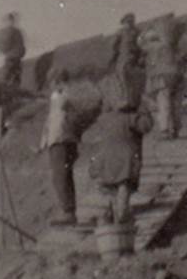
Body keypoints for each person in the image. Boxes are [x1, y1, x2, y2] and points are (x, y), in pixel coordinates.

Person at [88, 74, 153, 225]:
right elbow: (146, 126)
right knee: (124, 185)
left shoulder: (105, 118)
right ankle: (122, 211)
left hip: (106, 158)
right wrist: (145, 112)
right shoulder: (131, 117)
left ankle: (113, 210)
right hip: (127, 158)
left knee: (111, 187)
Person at [38, 68, 79, 225]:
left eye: (53, 82)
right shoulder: (58, 97)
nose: (51, 85)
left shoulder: (63, 96)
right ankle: (69, 211)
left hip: (62, 140)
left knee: (60, 176)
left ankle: (68, 212)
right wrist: (43, 142)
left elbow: (56, 120)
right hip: (59, 140)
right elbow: (49, 122)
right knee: (63, 176)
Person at [138, 20, 178, 138]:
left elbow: (139, 43)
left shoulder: (149, 47)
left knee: (161, 103)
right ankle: (172, 129)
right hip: (170, 77)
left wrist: (143, 34)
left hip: (158, 78)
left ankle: (165, 129)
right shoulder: (165, 45)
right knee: (168, 103)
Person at [108, 13, 144, 106]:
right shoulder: (137, 31)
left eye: (129, 21)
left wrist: (114, 55)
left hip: (126, 59)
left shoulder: (122, 32)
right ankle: (130, 99)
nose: (129, 23)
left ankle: (126, 99)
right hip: (133, 58)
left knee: (122, 77)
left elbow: (113, 45)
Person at [0, 13, 26, 89]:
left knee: (5, 77)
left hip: (11, 58)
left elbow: (5, 45)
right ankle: (14, 92)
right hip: (17, 58)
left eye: (9, 20)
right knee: (16, 77)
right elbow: (22, 47)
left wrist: (3, 50)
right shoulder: (18, 32)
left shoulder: (10, 31)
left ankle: (4, 91)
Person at [169, 51, 187, 139]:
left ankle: (174, 129)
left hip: (174, 87)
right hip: (177, 88)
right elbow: (179, 77)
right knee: (176, 109)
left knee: (173, 109)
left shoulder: (178, 65)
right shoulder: (181, 67)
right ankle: (175, 129)